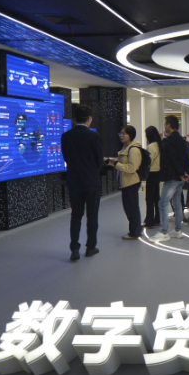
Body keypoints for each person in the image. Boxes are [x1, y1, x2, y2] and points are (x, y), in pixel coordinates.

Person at [61, 104, 104, 261]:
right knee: (92, 216)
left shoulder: (66, 136)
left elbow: (66, 157)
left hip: (74, 181)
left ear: (75, 119)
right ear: (89, 119)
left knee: (76, 215)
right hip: (91, 181)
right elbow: (99, 160)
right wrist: (92, 171)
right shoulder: (94, 136)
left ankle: (74, 249)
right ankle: (90, 247)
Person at [150, 115, 189, 243]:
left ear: (169, 125)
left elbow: (173, 159)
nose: (164, 126)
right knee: (177, 203)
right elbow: (185, 157)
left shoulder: (169, 141)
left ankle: (164, 232)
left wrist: (180, 173)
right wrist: (185, 173)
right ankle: (178, 230)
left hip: (172, 177)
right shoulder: (181, 140)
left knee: (163, 203)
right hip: (180, 178)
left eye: (165, 124)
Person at [113, 125, 143, 241]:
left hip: (131, 182)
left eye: (124, 133)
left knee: (132, 208)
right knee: (129, 208)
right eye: (120, 133)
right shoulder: (126, 147)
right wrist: (111, 161)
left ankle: (135, 232)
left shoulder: (133, 149)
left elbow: (132, 168)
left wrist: (116, 164)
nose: (121, 135)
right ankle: (135, 230)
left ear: (130, 135)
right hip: (126, 182)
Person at [143, 126, 162, 229]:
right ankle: (157, 218)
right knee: (156, 197)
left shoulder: (151, 146)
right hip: (158, 173)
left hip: (151, 173)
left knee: (149, 198)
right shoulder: (159, 145)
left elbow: (148, 161)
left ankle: (149, 221)